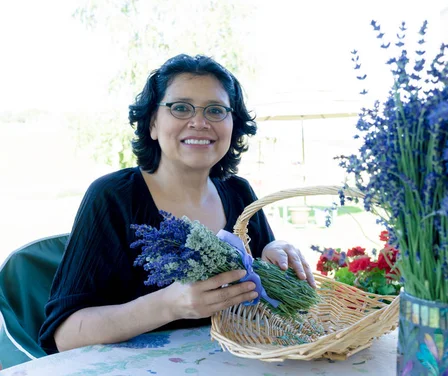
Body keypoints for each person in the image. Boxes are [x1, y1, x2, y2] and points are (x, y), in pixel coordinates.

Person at [38, 54, 316, 354]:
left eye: (215, 110)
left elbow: (267, 308)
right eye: (181, 108)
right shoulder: (112, 197)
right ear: (153, 124)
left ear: (233, 126)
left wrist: (273, 256)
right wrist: (169, 305)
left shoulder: (240, 194)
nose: (199, 122)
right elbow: (64, 336)